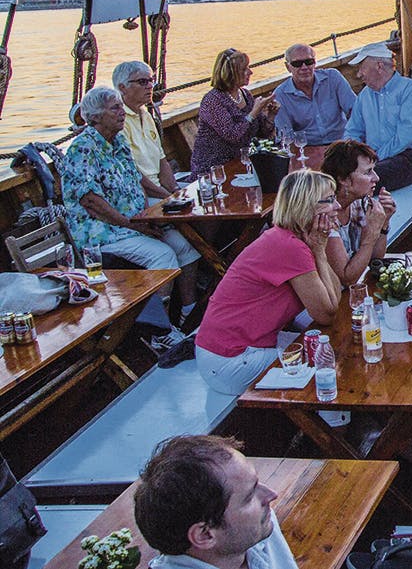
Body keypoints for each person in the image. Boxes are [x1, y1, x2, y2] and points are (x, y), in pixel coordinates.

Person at [59, 86, 199, 350]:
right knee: (162, 255)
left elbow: (136, 181)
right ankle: (158, 333)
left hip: (134, 224)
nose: (122, 112)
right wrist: (136, 225)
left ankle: (188, 312)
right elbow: (91, 202)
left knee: (184, 247)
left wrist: (151, 212)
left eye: (120, 107)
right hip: (102, 232)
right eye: (114, 108)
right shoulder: (82, 149)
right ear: (95, 117)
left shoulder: (118, 141)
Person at [194, 169, 343, 397]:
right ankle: (334, 425)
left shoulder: (296, 240)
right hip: (230, 359)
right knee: (326, 364)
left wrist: (319, 251)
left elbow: (335, 300)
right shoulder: (289, 246)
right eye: (330, 200)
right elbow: (326, 313)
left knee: (328, 347)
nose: (338, 206)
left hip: (236, 350)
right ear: (307, 206)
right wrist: (320, 253)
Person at [134, 435, 296, 569]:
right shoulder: (252, 529)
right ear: (205, 535)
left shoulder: (255, 529)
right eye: (248, 497)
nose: (271, 495)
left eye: (256, 483)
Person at [342, 41, 412, 192]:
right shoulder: (364, 96)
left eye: (362, 67)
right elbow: (353, 131)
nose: (358, 74)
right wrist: (353, 156)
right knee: (338, 176)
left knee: (363, 182)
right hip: (372, 159)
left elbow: (408, 134)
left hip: (409, 157)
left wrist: (373, 158)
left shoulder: (409, 90)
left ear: (379, 66)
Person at [319, 139, 396, 286]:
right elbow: (347, 278)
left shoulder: (359, 203)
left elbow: (374, 259)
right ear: (344, 180)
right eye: (367, 172)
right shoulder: (326, 214)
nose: (376, 178)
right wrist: (370, 237)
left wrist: (383, 223)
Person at [190, 49, 278, 176]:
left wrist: (271, 115)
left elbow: (263, 134)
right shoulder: (213, 100)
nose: (250, 72)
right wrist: (253, 112)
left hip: (241, 163)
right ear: (230, 73)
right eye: (244, 69)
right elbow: (232, 135)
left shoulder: (245, 94)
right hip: (213, 169)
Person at [113, 60, 179, 200]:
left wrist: (176, 190)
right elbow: (132, 174)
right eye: (142, 82)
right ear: (122, 88)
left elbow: (162, 161)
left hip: (160, 189)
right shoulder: (118, 123)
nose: (150, 86)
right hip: (141, 195)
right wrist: (169, 198)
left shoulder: (146, 114)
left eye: (151, 80)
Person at [272, 43, 355, 146]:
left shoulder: (333, 78)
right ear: (288, 67)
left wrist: (352, 139)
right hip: (308, 149)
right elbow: (286, 137)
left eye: (309, 62)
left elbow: (355, 111)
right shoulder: (280, 95)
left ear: (315, 63)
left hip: (343, 142)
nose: (304, 67)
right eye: (297, 64)